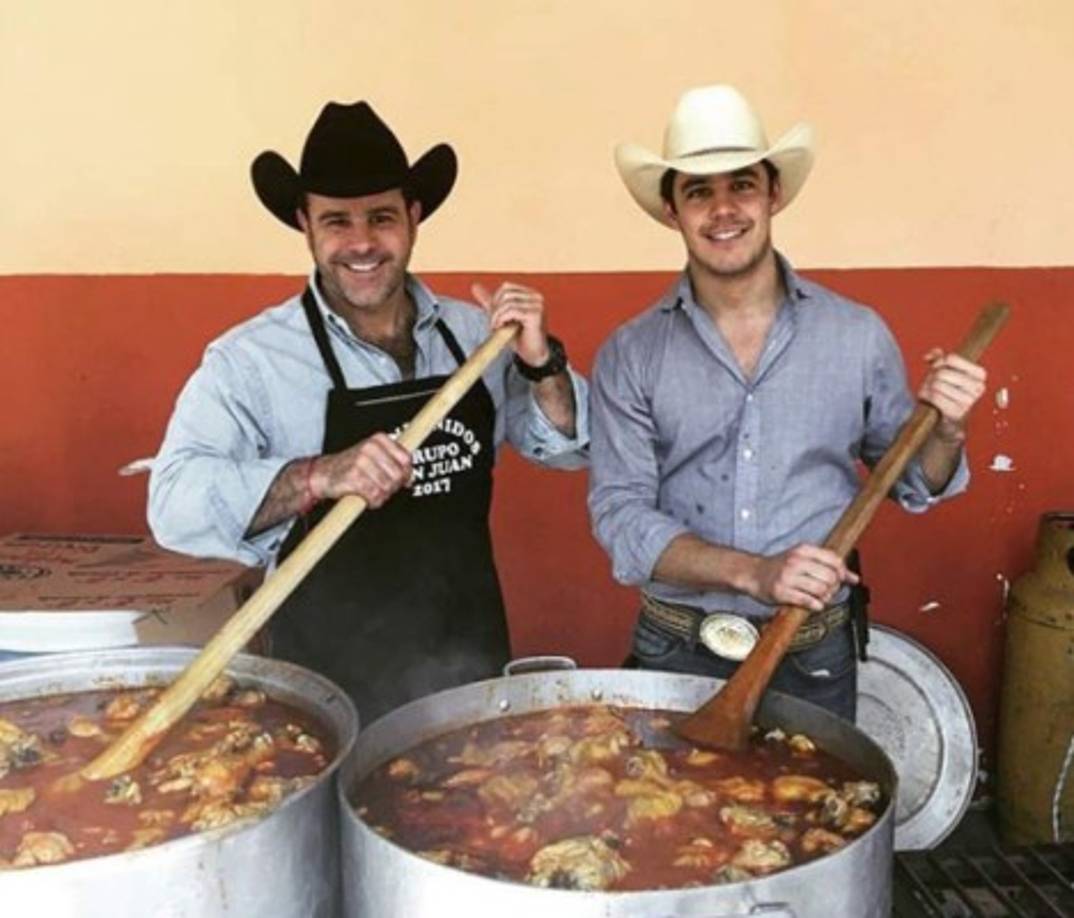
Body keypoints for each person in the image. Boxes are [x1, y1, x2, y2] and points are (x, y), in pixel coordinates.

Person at [149, 100, 588, 723]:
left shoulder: (477, 336)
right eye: (337, 221)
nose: (361, 243)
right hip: (322, 695)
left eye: (381, 217)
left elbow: (569, 449)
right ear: (305, 224)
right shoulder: (251, 361)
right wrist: (318, 476)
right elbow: (172, 504)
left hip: (468, 672)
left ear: (413, 217)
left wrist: (543, 363)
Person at [588, 84, 986, 721]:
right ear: (672, 211)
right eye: (698, 191)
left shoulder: (856, 335)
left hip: (811, 653)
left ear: (773, 194)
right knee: (669, 819)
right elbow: (622, 520)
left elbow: (913, 482)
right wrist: (753, 572)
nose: (724, 210)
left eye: (741, 184)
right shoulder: (631, 354)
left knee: (813, 822)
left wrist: (949, 430)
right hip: (676, 647)